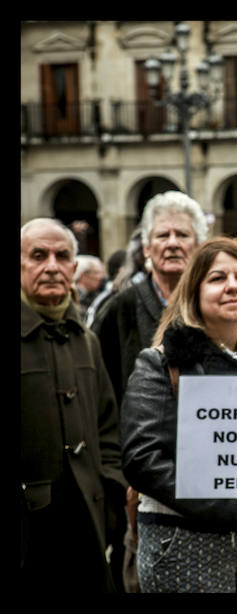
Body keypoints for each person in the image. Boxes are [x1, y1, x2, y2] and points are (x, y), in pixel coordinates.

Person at [119, 238, 237, 593]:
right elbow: (142, 459)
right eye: (218, 278)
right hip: (189, 546)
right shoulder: (162, 363)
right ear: (194, 292)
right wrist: (226, 507)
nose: (233, 286)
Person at [20, 218, 128, 593]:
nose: (51, 265)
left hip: (87, 529)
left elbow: (107, 428)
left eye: (61, 256)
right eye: (38, 256)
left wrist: (110, 498)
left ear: (72, 267)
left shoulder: (86, 339)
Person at [92, 191, 207, 405]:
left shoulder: (214, 305)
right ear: (146, 248)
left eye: (182, 235)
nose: (172, 243)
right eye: (163, 235)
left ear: (199, 246)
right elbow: (99, 386)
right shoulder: (119, 307)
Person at [74, 254, 106, 320]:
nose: (100, 277)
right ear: (82, 275)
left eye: (101, 273)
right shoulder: (72, 295)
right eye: (96, 273)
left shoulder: (98, 296)